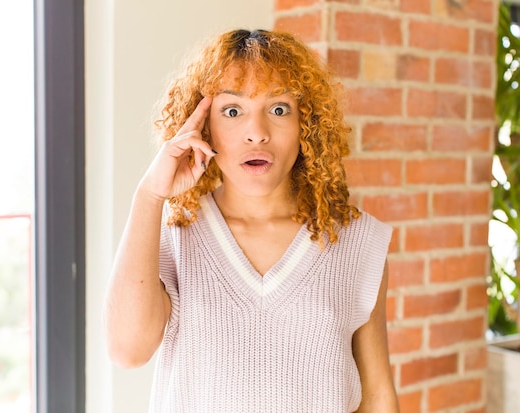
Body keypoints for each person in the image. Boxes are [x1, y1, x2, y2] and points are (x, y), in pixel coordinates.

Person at [104, 29, 400, 413]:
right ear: (203, 127)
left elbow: (377, 397)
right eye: (232, 111)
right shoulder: (173, 235)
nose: (257, 134)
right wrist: (149, 195)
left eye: (279, 109)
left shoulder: (358, 240)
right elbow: (127, 351)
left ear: (305, 125)